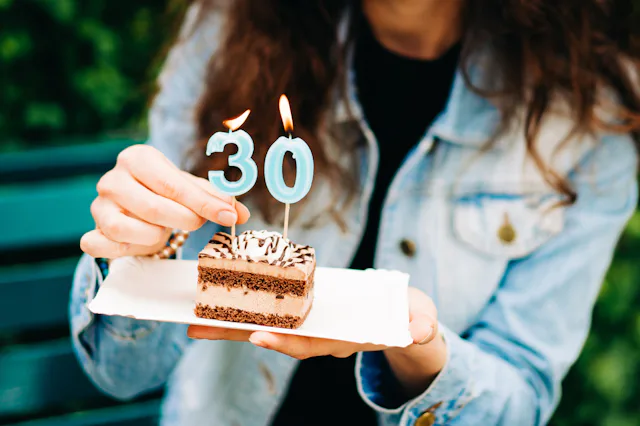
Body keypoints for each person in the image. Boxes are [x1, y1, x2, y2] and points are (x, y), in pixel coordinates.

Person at [69, 0, 640, 425]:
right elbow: (120, 373)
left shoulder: (592, 116)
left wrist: (419, 347)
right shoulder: (228, 27)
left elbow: (521, 399)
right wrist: (141, 254)